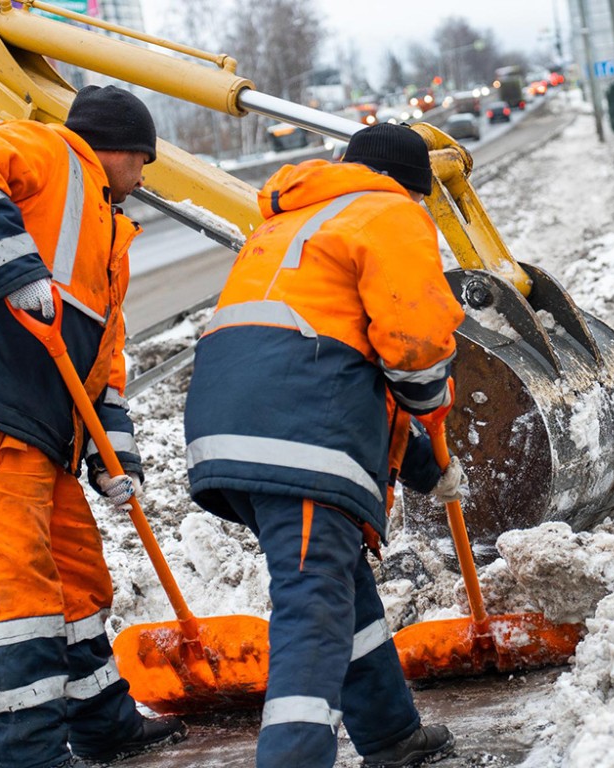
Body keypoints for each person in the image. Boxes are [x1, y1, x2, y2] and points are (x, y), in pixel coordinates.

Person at [184, 122, 468, 768]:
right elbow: (416, 345)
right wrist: (432, 399)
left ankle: (389, 732)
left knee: (337, 581)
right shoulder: (390, 212)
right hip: (301, 437)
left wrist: (425, 471)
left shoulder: (295, 221)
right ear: (413, 187)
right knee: (312, 602)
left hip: (236, 428)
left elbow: (347, 360)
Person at [0, 85, 187, 767]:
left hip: (48, 433)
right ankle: (29, 755)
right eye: (144, 161)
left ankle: (103, 727)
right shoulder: (48, 149)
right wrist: (14, 268)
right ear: (124, 148)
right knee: (20, 594)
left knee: (80, 580)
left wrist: (116, 460)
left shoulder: (110, 236)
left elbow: (103, 362)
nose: (144, 179)